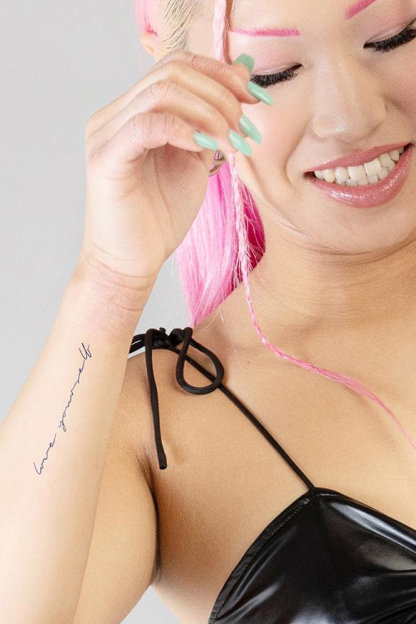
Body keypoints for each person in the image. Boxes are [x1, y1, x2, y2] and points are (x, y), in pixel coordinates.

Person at [1, 0, 416, 622]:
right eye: (274, 73)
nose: (351, 118)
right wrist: (107, 285)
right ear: (177, 69)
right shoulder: (159, 429)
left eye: (393, 37)